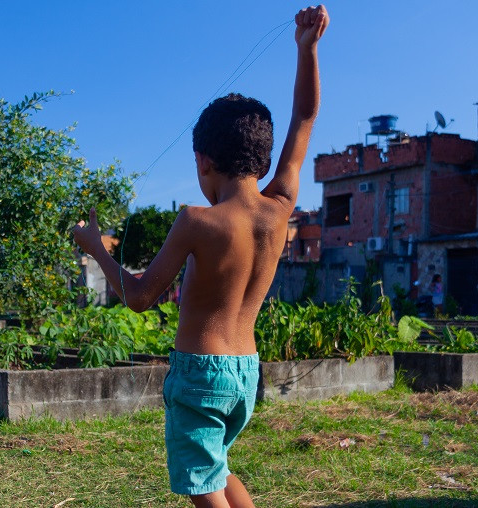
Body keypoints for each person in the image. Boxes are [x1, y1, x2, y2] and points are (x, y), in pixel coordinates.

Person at [72, 6, 328, 507]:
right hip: (245, 373)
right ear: (261, 157)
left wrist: (96, 249)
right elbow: (305, 117)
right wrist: (308, 48)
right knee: (217, 468)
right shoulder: (280, 209)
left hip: (200, 373)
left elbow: (141, 296)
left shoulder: (197, 219)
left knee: (203, 483)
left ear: (204, 161)